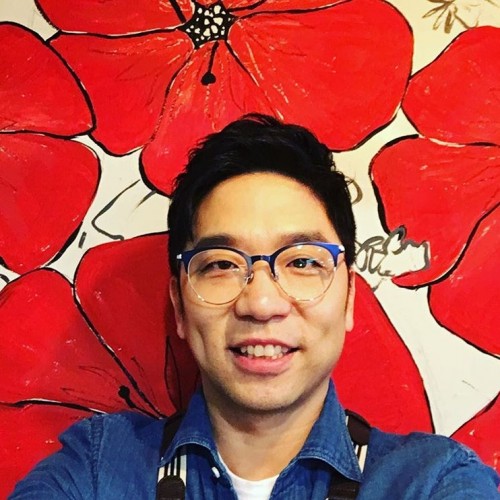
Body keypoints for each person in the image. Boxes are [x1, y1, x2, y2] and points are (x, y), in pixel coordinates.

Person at [11, 114, 499, 499]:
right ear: (179, 305)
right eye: (221, 264)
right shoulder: (97, 470)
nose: (262, 303)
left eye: (302, 261)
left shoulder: (432, 482)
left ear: (350, 297)